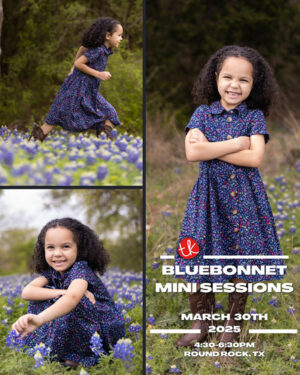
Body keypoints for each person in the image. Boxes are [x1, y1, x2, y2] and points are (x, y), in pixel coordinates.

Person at [174, 45, 284, 347]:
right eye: (228, 77)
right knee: (198, 254)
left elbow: (255, 159)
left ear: (254, 84)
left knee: (241, 256)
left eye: (244, 80)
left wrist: (214, 148)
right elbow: (192, 152)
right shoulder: (202, 113)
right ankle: (202, 321)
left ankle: (232, 322)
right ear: (215, 77)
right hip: (208, 199)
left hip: (244, 199)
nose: (234, 85)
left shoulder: (255, 117)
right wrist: (237, 143)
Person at [12, 218, 125, 369]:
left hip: (103, 325)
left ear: (80, 248)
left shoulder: (81, 268)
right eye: (50, 247)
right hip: (75, 319)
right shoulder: (51, 272)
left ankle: (84, 356)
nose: (57, 253)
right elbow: (27, 292)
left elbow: (72, 298)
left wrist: (40, 319)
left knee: (71, 301)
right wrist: (61, 291)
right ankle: (47, 348)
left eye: (65, 246)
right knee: (44, 296)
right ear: (43, 250)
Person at [29, 17, 123, 142]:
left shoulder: (102, 50)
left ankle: (103, 142)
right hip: (76, 87)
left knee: (110, 113)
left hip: (88, 90)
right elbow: (80, 63)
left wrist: (73, 68)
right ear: (108, 35)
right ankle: (34, 142)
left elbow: (82, 48)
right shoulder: (99, 51)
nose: (121, 38)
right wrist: (97, 74)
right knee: (57, 115)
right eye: (119, 35)